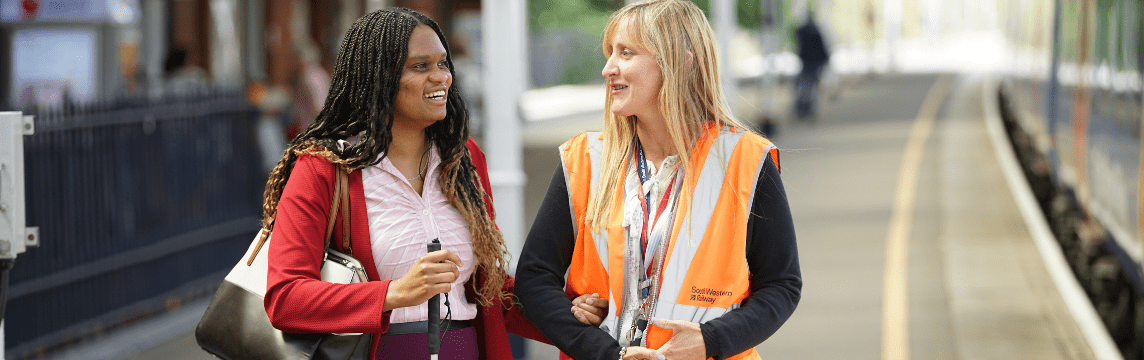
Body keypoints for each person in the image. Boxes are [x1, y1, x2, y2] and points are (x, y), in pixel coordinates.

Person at [260, 8, 598, 360]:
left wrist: (566, 311)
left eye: (442, 64)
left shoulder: (463, 159)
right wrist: (393, 294)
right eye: (420, 66)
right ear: (377, 77)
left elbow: (487, 291)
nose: (441, 78)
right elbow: (286, 298)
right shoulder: (324, 169)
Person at [514, 1, 802, 360]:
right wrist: (598, 346)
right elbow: (534, 278)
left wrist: (709, 340)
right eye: (610, 53)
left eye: (627, 53)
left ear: (679, 61)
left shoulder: (746, 160)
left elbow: (781, 285)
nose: (608, 69)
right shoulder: (584, 159)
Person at [794, 12, 829, 119]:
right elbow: (822, 48)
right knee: (810, 87)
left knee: (804, 86)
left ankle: (803, 108)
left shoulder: (802, 32)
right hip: (814, 63)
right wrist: (825, 60)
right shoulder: (816, 32)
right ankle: (807, 108)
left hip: (807, 62)